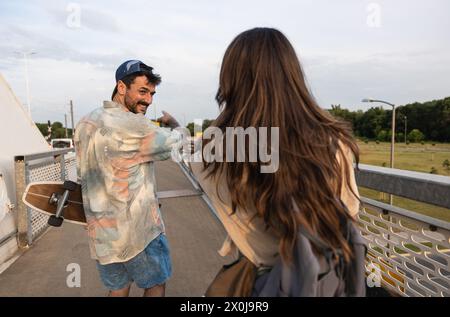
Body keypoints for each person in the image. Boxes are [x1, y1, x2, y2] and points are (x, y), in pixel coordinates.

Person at [189, 28, 361, 294]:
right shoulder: (334, 143)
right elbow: (349, 212)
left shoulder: (213, 153)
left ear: (230, 80)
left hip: (265, 283)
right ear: (294, 76)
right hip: (321, 282)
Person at [74, 60, 181, 297]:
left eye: (152, 93)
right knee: (155, 284)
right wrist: (175, 125)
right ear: (121, 87)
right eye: (142, 91)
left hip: (102, 233)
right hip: (139, 233)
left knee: (119, 288)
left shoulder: (85, 122)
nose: (149, 100)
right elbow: (177, 145)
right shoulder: (133, 123)